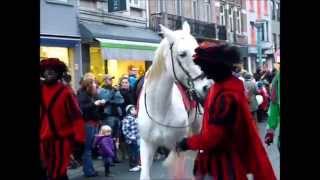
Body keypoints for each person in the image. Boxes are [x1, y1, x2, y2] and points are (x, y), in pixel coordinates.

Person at [175, 42, 276, 180]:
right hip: (218, 163)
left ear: (216, 68)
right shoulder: (219, 89)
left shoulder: (227, 96)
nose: (206, 73)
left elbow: (215, 137)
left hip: (225, 167)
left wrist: (187, 143)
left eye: (207, 68)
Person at [40, 58, 85, 180]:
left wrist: (79, 141)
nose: (49, 72)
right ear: (42, 72)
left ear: (58, 72)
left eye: (53, 70)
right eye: (46, 70)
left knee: (58, 174)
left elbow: (77, 117)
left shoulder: (66, 92)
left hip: (61, 141)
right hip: (43, 142)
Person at [77, 73, 105, 177]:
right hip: (87, 124)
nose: (95, 83)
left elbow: (96, 108)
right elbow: (81, 108)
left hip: (93, 123)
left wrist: (101, 104)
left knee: (89, 148)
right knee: (87, 149)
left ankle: (90, 169)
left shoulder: (92, 93)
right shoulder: (82, 93)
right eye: (93, 81)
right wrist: (95, 104)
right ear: (88, 83)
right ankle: (88, 171)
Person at [99, 74, 124, 163]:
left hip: (117, 115)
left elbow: (121, 100)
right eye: (109, 79)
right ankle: (108, 159)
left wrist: (111, 100)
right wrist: (112, 96)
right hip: (108, 116)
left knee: (116, 138)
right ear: (104, 80)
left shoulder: (114, 89)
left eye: (111, 79)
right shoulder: (101, 90)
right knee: (107, 138)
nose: (111, 81)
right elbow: (104, 99)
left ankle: (114, 156)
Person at [265, 59, 280, 151]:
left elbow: (274, 107)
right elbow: (274, 107)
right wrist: (270, 132)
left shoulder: (277, 79)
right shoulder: (277, 79)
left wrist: (270, 132)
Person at [122, 105, 141, 172]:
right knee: (132, 152)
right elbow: (125, 129)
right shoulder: (127, 119)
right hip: (131, 140)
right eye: (133, 109)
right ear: (129, 111)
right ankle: (133, 165)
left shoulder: (135, 118)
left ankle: (137, 164)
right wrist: (131, 137)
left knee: (137, 152)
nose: (135, 111)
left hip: (136, 139)